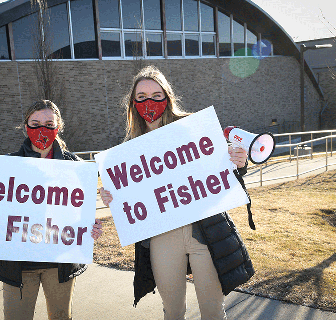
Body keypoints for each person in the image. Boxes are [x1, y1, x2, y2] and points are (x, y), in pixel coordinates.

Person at [99, 66, 254, 320]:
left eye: (156, 95)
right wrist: (113, 197)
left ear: (167, 97)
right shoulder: (128, 150)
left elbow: (221, 168)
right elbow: (129, 199)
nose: (149, 102)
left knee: (213, 310)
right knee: (172, 312)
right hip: (162, 238)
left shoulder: (193, 127)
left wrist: (238, 160)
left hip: (205, 233)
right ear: (133, 103)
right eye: (141, 97)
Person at [0, 100, 103, 320]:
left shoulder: (74, 166)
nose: (42, 130)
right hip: (18, 267)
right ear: (26, 126)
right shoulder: (7, 166)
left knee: (60, 317)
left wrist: (91, 228)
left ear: (59, 127)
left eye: (49, 123)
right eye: (35, 123)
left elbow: (81, 214)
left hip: (59, 265)